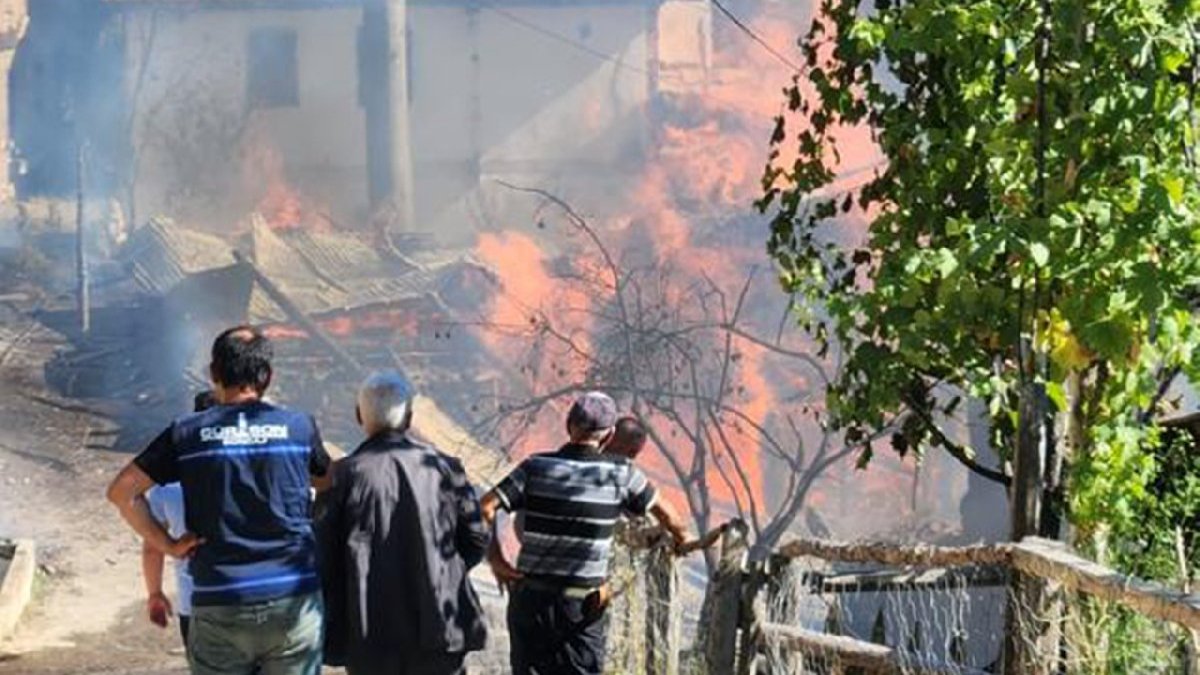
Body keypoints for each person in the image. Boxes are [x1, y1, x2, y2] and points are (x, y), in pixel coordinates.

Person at [107, 326, 331, 675]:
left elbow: (122, 492)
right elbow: (327, 481)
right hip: (292, 600)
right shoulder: (299, 428)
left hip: (221, 599)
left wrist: (169, 545)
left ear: (213, 374)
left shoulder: (187, 434)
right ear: (267, 376)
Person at [481, 392, 691, 675]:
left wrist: (496, 560)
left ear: (569, 425)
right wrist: (682, 539)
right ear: (609, 435)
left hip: (530, 598)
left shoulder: (534, 467)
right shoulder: (621, 474)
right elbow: (671, 518)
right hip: (580, 603)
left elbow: (484, 508)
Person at [318, 370, 488, 675]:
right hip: (439, 627)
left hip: (369, 634)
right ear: (409, 418)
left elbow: (322, 555)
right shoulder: (446, 469)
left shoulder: (340, 476)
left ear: (359, 415)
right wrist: (444, 573)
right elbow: (476, 539)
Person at [142, 391, 216, 648]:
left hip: (195, 602)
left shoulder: (168, 485)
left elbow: (152, 547)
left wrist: (154, 593)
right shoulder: (254, 471)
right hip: (252, 597)